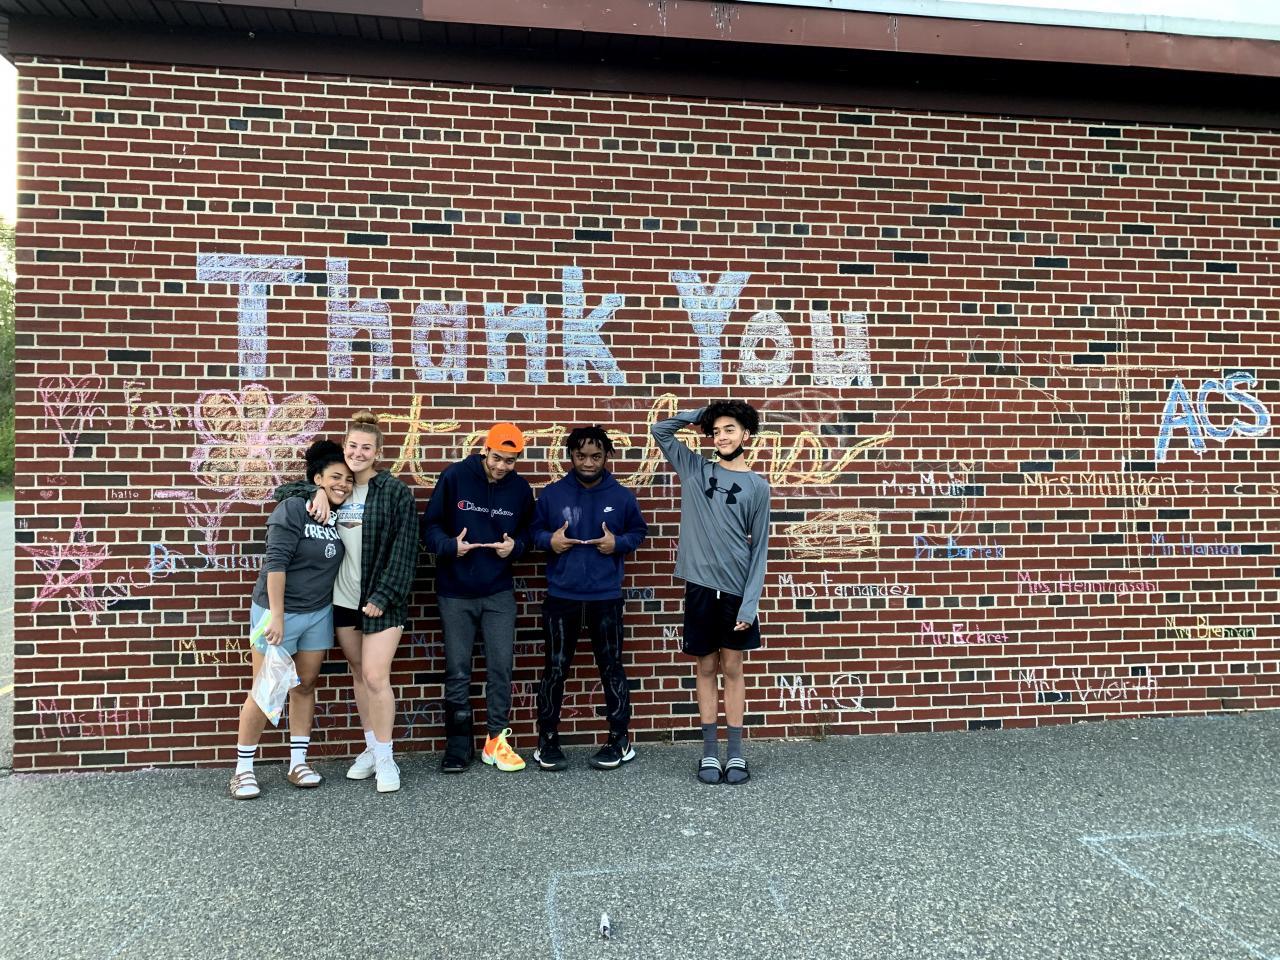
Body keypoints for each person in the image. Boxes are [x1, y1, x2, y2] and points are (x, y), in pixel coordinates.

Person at [275, 411, 420, 794]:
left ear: (378, 452)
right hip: (342, 599)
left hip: (381, 601)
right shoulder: (339, 487)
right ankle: (371, 748)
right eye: (352, 446)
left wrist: (383, 596)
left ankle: (386, 758)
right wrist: (318, 492)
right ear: (345, 447)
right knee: (358, 673)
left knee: (375, 676)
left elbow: (406, 551)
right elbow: (284, 493)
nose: (358, 453)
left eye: (366, 448)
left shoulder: (393, 491)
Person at [651, 401, 771, 785]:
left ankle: (735, 754)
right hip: (700, 587)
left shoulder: (758, 486)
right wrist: (700, 415)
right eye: (716, 431)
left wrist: (749, 604)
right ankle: (708, 752)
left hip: (736, 590)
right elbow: (660, 430)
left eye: (729, 429)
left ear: (746, 434)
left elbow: (760, 549)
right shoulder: (695, 469)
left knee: (732, 668)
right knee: (705, 667)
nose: (722, 437)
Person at [229, 440, 353, 799]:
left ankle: (298, 763)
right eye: (335, 477)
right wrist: (278, 616)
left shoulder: (340, 514)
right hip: (277, 612)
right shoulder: (294, 508)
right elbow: (276, 564)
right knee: (266, 689)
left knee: (305, 685)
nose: (343, 484)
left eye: (348, 479)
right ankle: (242, 770)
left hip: (318, 613)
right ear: (317, 478)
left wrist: (323, 494)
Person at [529, 426, 648, 771]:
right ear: (571, 456)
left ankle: (619, 739)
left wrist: (618, 544)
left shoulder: (622, 496)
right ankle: (547, 740)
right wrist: (549, 541)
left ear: (607, 456)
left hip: (605, 597)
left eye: (596, 456)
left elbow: (638, 532)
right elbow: (533, 531)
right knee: (555, 669)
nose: (588, 463)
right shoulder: (553, 494)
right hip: (561, 596)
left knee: (611, 667)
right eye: (581, 456)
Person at [421, 422, 535, 773]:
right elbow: (430, 526)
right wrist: (449, 546)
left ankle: (495, 742)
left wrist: (516, 547)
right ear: (485, 451)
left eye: (510, 461)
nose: (502, 466)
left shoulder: (520, 489)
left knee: (501, 668)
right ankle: (458, 745)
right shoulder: (455, 477)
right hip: (455, 591)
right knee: (457, 669)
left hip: (498, 592)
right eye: (497, 458)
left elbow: (530, 533)